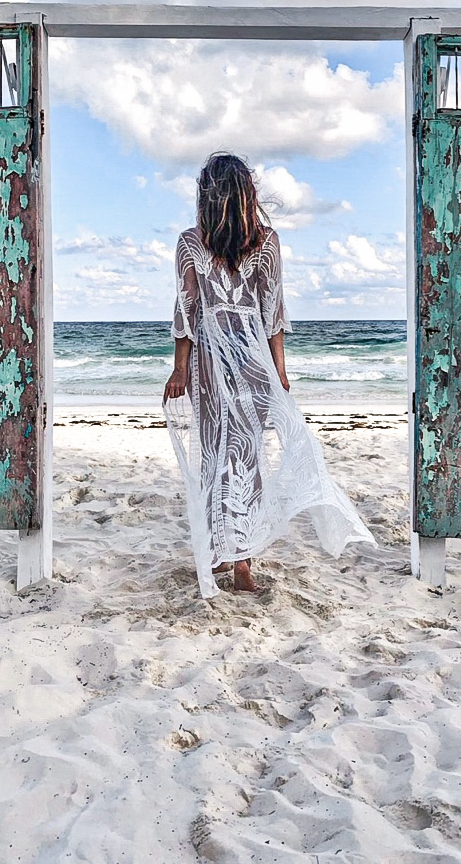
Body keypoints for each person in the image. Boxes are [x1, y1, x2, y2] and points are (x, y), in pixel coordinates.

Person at [163, 152, 376, 597]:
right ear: (245, 194)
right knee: (244, 456)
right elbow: (267, 312)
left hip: (216, 361)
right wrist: (277, 370)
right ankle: (236, 555)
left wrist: (180, 368)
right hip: (245, 361)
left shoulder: (196, 241)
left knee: (218, 454)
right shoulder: (259, 241)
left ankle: (230, 554)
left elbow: (192, 311)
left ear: (208, 193)